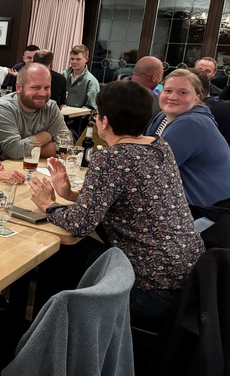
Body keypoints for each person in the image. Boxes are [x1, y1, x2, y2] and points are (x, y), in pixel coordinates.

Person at [28, 81, 204, 331]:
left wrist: (48, 204)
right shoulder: (159, 146)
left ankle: (47, 331)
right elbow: (125, 198)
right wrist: (69, 194)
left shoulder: (111, 157)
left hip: (149, 291)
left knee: (60, 251)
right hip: (188, 280)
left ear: (104, 122)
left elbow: (80, 224)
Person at [145, 69, 230, 215]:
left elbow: (150, 167)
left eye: (183, 92)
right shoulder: (162, 116)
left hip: (209, 212)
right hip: (188, 204)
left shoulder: (192, 123)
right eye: (168, 91)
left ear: (197, 98)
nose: (173, 97)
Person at [0, 63, 70, 160]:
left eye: (47, 88)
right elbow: (15, 151)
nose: (43, 93)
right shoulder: (2, 108)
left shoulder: (51, 107)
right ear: (19, 88)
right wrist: (47, 135)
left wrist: (24, 150)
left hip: (24, 165)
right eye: (36, 87)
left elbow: (67, 146)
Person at [61, 44, 100, 110]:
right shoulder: (63, 75)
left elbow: (91, 107)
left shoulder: (91, 81)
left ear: (86, 59)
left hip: (80, 116)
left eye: (78, 59)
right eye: (72, 59)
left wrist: (74, 113)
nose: (74, 62)